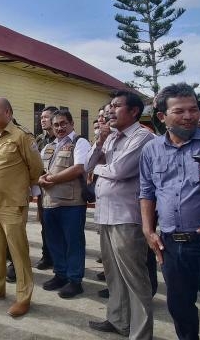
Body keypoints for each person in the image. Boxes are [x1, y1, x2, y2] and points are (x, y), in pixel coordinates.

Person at [139, 83, 200, 340]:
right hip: (170, 246)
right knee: (180, 310)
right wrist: (147, 230)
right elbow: (146, 192)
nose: (189, 116)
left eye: (193, 109)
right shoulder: (151, 150)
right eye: (179, 111)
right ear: (162, 117)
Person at [86, 91, 155, 338]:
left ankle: (140, 333)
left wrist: (98, 168)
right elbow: (87, 166)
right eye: (109, 107)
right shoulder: (112, 136)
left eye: (116, 106)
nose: (110, 111)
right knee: (114, 275)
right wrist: (99, 143)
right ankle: (118, 321)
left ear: (134, 111)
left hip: (127, 216)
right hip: (106, 214)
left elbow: (119, 170)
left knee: (135, 279)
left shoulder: (142, 137)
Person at [0, 97, 43, 318]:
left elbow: (36, 167)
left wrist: (25, 190)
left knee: (18, 252)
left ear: (8, 113)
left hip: (12, 204)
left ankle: (23, 297)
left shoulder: (22, 136)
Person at [38, 110, 91, 299]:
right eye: (56, 125)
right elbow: (41, 170)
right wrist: (41, 178)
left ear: (71, 124)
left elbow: (79, 168)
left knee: (73, 243)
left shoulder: (79, 142)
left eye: (63, 124)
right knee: (54, 242)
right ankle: (60, 275)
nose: (59, 128)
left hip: (71, 203)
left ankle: (75, 281)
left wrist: (50, 179)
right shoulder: (49, 146)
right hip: (49, 202)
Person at [34, 106, 58, 270]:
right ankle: (47, 256)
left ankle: (59, 260)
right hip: (43, 189)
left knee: (59, 227)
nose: (42, 120)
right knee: (46, 225)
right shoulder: (39, 140)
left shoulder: (63, 138)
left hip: (59, 188)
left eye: (46, 117)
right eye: (41, 117)